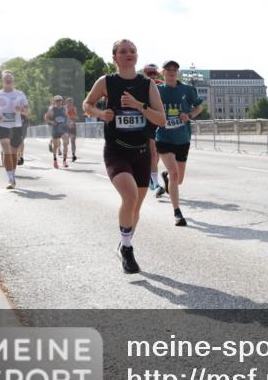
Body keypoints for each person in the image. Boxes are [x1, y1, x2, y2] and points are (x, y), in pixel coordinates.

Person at [84, 41, 166, 273]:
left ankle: (124, 243)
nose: (128, 54)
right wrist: (101, 113)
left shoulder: (147, 84)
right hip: (116, 150)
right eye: (123, 52)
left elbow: (161, 120)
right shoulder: (106, 82)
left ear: (137, 56)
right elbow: (87, 104)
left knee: (135, 209)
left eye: (132, 51)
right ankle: (128, 251)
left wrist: (139, 106)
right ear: (115, 58)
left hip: (140, 152)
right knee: (129, 197)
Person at [153, 59, 204, 226]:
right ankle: (177, 213)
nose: (171, 71)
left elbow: (199, 107)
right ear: (163, 72)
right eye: (168, 69)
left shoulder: (187, 89)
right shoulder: (156, 90)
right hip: (163, 137)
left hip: (182, 138)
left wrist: (189, 115)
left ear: (178, 73)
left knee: (178, 179)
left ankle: (166, 177)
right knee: (175, 173)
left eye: (175, 69)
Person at [0, 71, 31, 188]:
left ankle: (12, 175)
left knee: (13, 153)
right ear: (2, 81)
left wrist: (22, 110)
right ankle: (10, 179)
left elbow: (27, 112)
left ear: (13, 81)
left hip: (16, 126)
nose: (8, 80)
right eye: (6, 78)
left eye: (10, 78)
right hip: (2, 126)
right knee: (6, 150)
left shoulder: (20, 94)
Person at [142, 63, 163, 192]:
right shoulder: (140, 84)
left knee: (158, 154)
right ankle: (155, 184)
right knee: (153, 153)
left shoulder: (161, 85)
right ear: (145, 74)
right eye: (150, 74)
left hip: (160, 121)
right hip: (147, 122)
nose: (153, 76)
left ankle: (150, 175)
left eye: (155, 73)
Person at [44, 96, 71, 168]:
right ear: (55, 102)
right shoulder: (52, 110)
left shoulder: (64, 109)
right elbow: (46, 117)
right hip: (55, 129)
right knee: (55, 146)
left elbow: (67, 117)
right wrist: (51, 121)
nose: (59, 102)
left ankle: (64, 161)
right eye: (57, 101)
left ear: (62, 101)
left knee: (65, 143)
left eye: (60, 101)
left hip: (63, 128)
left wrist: (69, 122)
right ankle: (55, 160)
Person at [65, 97, 79, 161]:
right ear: (66, 102)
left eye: (71, 102)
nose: (70, 103)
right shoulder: (64, 108)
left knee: (73, 141)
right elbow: (63, 116)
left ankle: (73, 154)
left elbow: (76, 117)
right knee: (67, 142)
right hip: (66, 126)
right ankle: (65, 152)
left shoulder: (74, 108)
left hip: (73, 126)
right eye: (69, 102)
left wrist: (75, 118)